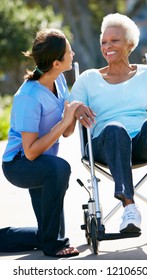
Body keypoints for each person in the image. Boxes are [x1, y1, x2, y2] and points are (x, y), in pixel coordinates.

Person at [69, 13, 147, 233]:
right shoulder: (87, 79)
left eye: (114, 40)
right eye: (104, 42)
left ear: (130, 44)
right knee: (116, 129)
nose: (108, 46)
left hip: (142, 143)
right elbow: (68, 121)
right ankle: (130, 209)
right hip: (104, 144)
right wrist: (75, 109)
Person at [1, 29, 81, 257]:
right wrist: (66, 119)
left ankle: (45, 239)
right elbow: (31, 152)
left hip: (43, 163)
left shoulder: (60, 81)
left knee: (48, 231)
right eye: (69, 52)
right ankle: (53, 246)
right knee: (60, 167)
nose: (73, 54)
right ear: (56, 62)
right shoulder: (28, 96)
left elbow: (65, 133)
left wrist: (72, 114)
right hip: (20, 165)